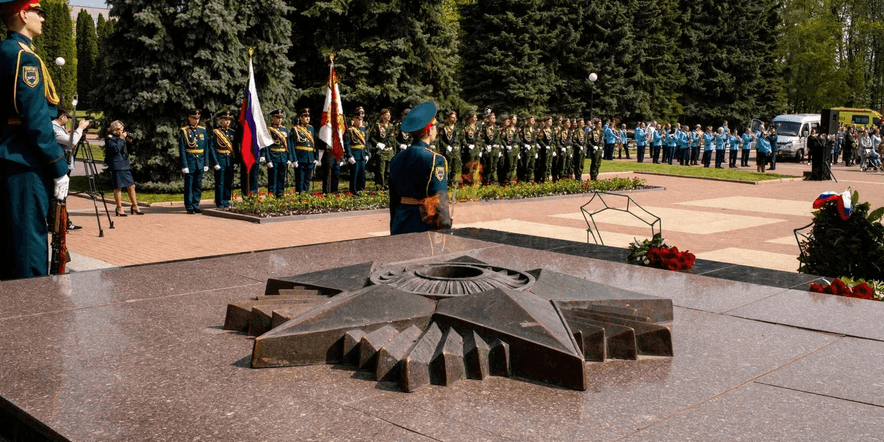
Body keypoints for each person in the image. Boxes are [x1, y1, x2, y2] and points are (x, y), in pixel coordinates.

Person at [1, 0, 71, 280]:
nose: (42, 18)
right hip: (25, 161)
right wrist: (57, 166)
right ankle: (33, 316)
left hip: (8, 156)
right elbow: (35, 120)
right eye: (37, 12)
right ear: (22, 14)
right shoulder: (24, 57)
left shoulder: (4, 51)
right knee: (29, 245)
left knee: (10, 244)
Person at [389, 101, 451, 235]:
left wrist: (393, 225)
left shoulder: (396, 158)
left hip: (400, 221)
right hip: (423, 224)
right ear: (429, 130)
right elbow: (439, 199)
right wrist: (445, 227)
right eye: (435, 126)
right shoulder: (435, 159)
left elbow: (393, 199)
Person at [52, 106, 88, 230]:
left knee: (63, 194)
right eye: (67, 116)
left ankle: (65, 221)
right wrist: (80, 128)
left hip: (65, 163)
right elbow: (71, 142)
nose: (67, 119)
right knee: (59, 195)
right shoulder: (53, 128)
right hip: (60, 164)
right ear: (61, 116)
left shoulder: (60, 128)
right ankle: (57, 222)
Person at [105, 120, 143, 216]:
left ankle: (135, 205)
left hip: (125, 164)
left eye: (121, 129)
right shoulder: (110, 138)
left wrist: (128, 140)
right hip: (116, 165)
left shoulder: (120, 138)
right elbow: (115, 149)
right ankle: (119, 207)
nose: (120, 131)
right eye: (118, 129)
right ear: (113, 129)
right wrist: (121, 139)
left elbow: (126, 150)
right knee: (118, 187)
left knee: (131, 185)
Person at [179, 108, 208, 214]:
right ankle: (189, 206)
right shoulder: (184, 131)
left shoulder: (203, 130)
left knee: (198, 185)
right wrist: (184, 165)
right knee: (189, 185)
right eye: (194, 118)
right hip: (190, 161)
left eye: (198, 118)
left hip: (199, 161)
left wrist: (206, 163)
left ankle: (196, 204)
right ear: (189, 118)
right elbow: (182, 149)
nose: (196, 120)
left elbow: (206, 148)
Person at [208, 110, 236, 208]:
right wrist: (215, 162)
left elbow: (235, 147)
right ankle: (219, 202)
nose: (227, 121)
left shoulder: (232, 132)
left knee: (228, 181)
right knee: (220, 182)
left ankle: (226, 200)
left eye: (229, 119)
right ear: (220, 120)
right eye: (225, 119)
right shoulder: (216, 133)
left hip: (230, 160)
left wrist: (235, 160)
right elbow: (211, 147)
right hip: (220, 159)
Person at [290, 108, 316, 193]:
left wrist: (316, 157)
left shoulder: (311, 129)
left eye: (308, 116)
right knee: (300, 179)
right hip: (300, 157)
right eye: (305, 116)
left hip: (310, 157)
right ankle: (300, 196)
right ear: (301, 118)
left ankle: (306, 194)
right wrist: (294, 159)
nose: (307, 118)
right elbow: (292, 145)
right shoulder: (295, 129)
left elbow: (315, 144)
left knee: (307, 179)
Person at [368, 108, 396, 190]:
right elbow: (371, 137)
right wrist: (378, 144)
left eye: (389, 115)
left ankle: (387, 186)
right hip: (382, 151)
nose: (389, 117)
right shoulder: (377, 125)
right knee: (380, 170)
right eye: (387, 115)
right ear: (383, 116)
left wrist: (394, 151)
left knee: (388, 170)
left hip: (389, 151)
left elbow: (393, 140)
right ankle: (380, 187)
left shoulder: (391, 126)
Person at [264, 109, 289, 198]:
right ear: (272, 118)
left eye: (280, 118)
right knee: (272, 178)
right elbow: (266, 146)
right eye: (277, 117)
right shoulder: (269, 130)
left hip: (283, 156)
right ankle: (271, 197)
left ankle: (280, 196)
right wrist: (268, 159)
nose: (279, 119)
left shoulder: (284, 129)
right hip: (273, 156)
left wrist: (289, 158)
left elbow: (288, 144)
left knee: (281, 178)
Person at [344, 107, 369, 193]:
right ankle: (353, 191)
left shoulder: (363, 129)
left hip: (362, 155)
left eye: (361, 120)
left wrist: (367, 154)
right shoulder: (350, 130)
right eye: (358, 119)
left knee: (362, 175)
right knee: (354, 175)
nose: (360, 121)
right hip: (354, 155)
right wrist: (349, 155)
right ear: (353, 119)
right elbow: (347, 143)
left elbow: (366, 142)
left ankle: (361, 190)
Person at [518, 115, 537, 183]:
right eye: (531, 120)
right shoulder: (524, 129)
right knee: (525, 165)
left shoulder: (534, 130)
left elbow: (535, 140)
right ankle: (523, 179)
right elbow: (520, 140)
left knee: (532, 165)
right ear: (528, 121)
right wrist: (524, 145)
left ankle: (529, 179)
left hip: (533, 150)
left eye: (533, 120)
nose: (533, 121)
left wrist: (536, 151)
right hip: (527, 150)